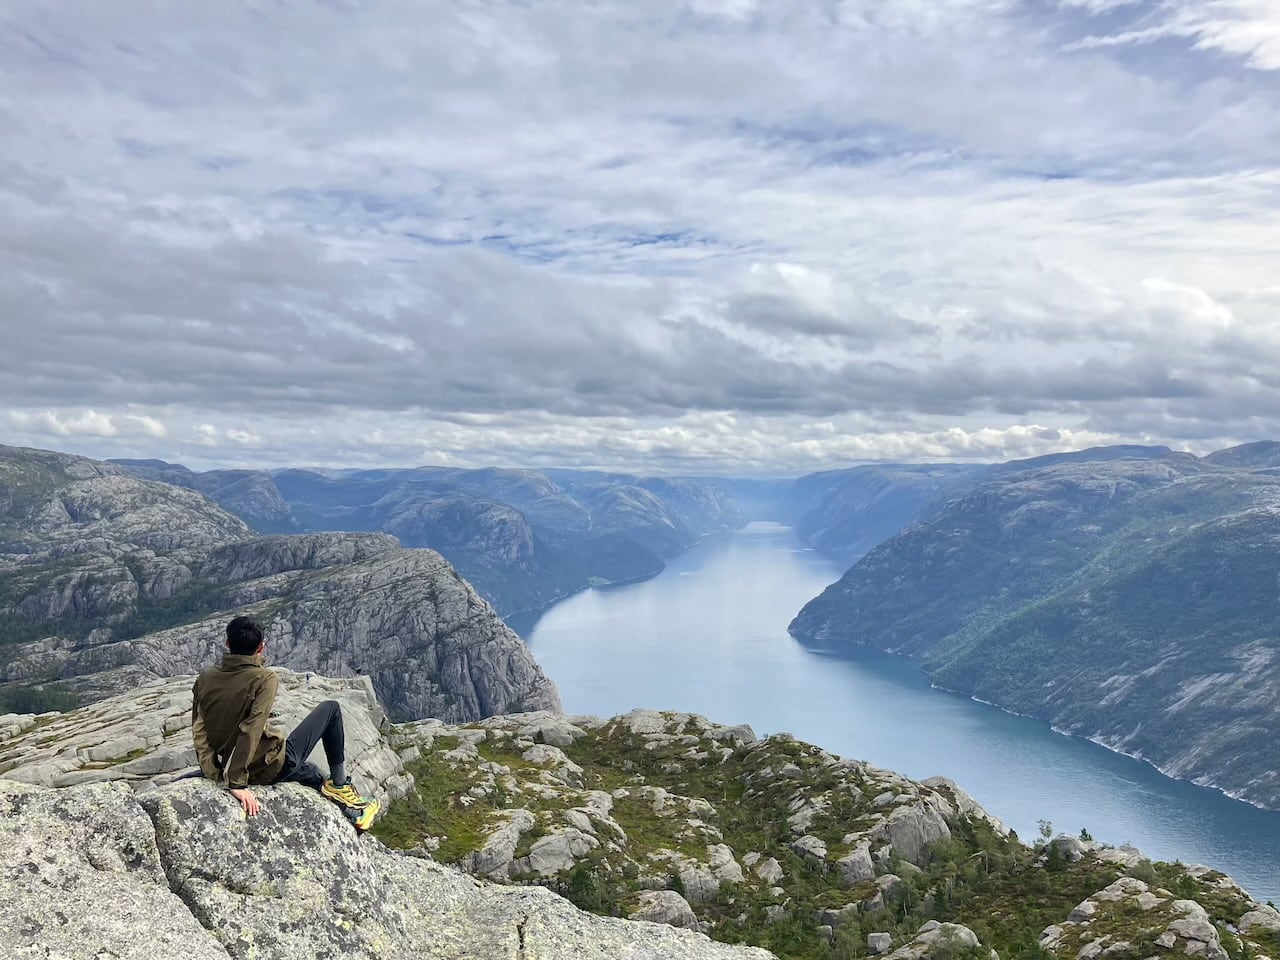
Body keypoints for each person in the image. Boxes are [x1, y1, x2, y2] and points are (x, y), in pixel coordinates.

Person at [191, 615, 381, 830]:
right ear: (261, 647)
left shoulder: (205, 678)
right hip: (266, 766)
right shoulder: (264, 678)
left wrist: (213, 772)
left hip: (224, 763)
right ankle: (340, 785)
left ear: (227, 643)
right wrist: (236, 783)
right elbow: (251, 729)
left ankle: (351, 811)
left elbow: (199, 727)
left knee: (310, 773)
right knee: (331, 709)